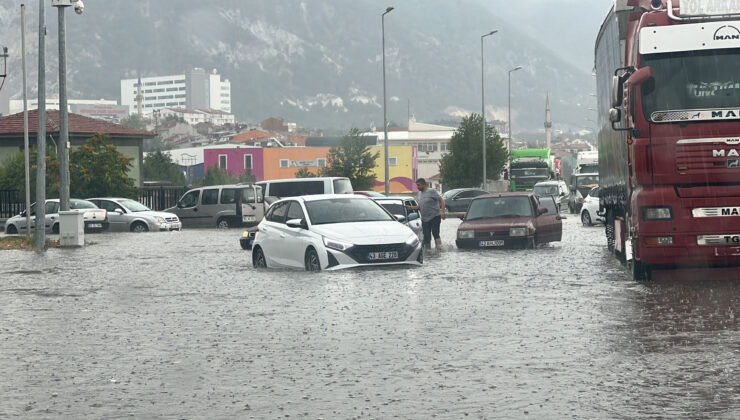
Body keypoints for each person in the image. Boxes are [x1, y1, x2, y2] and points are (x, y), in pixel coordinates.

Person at [406, 178, 445, 250]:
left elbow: (441, 200)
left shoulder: (432, 191)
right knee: (426, 237)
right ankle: (428, 251)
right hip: (425, 219)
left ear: (424, 184)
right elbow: (419, 207)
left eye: (419, 185)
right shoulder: (420, 194)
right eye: (417, 185)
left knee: (435, 233)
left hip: (435, 216)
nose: (417, 187)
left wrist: (443, 212)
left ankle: (439, 249)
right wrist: (410, 207)